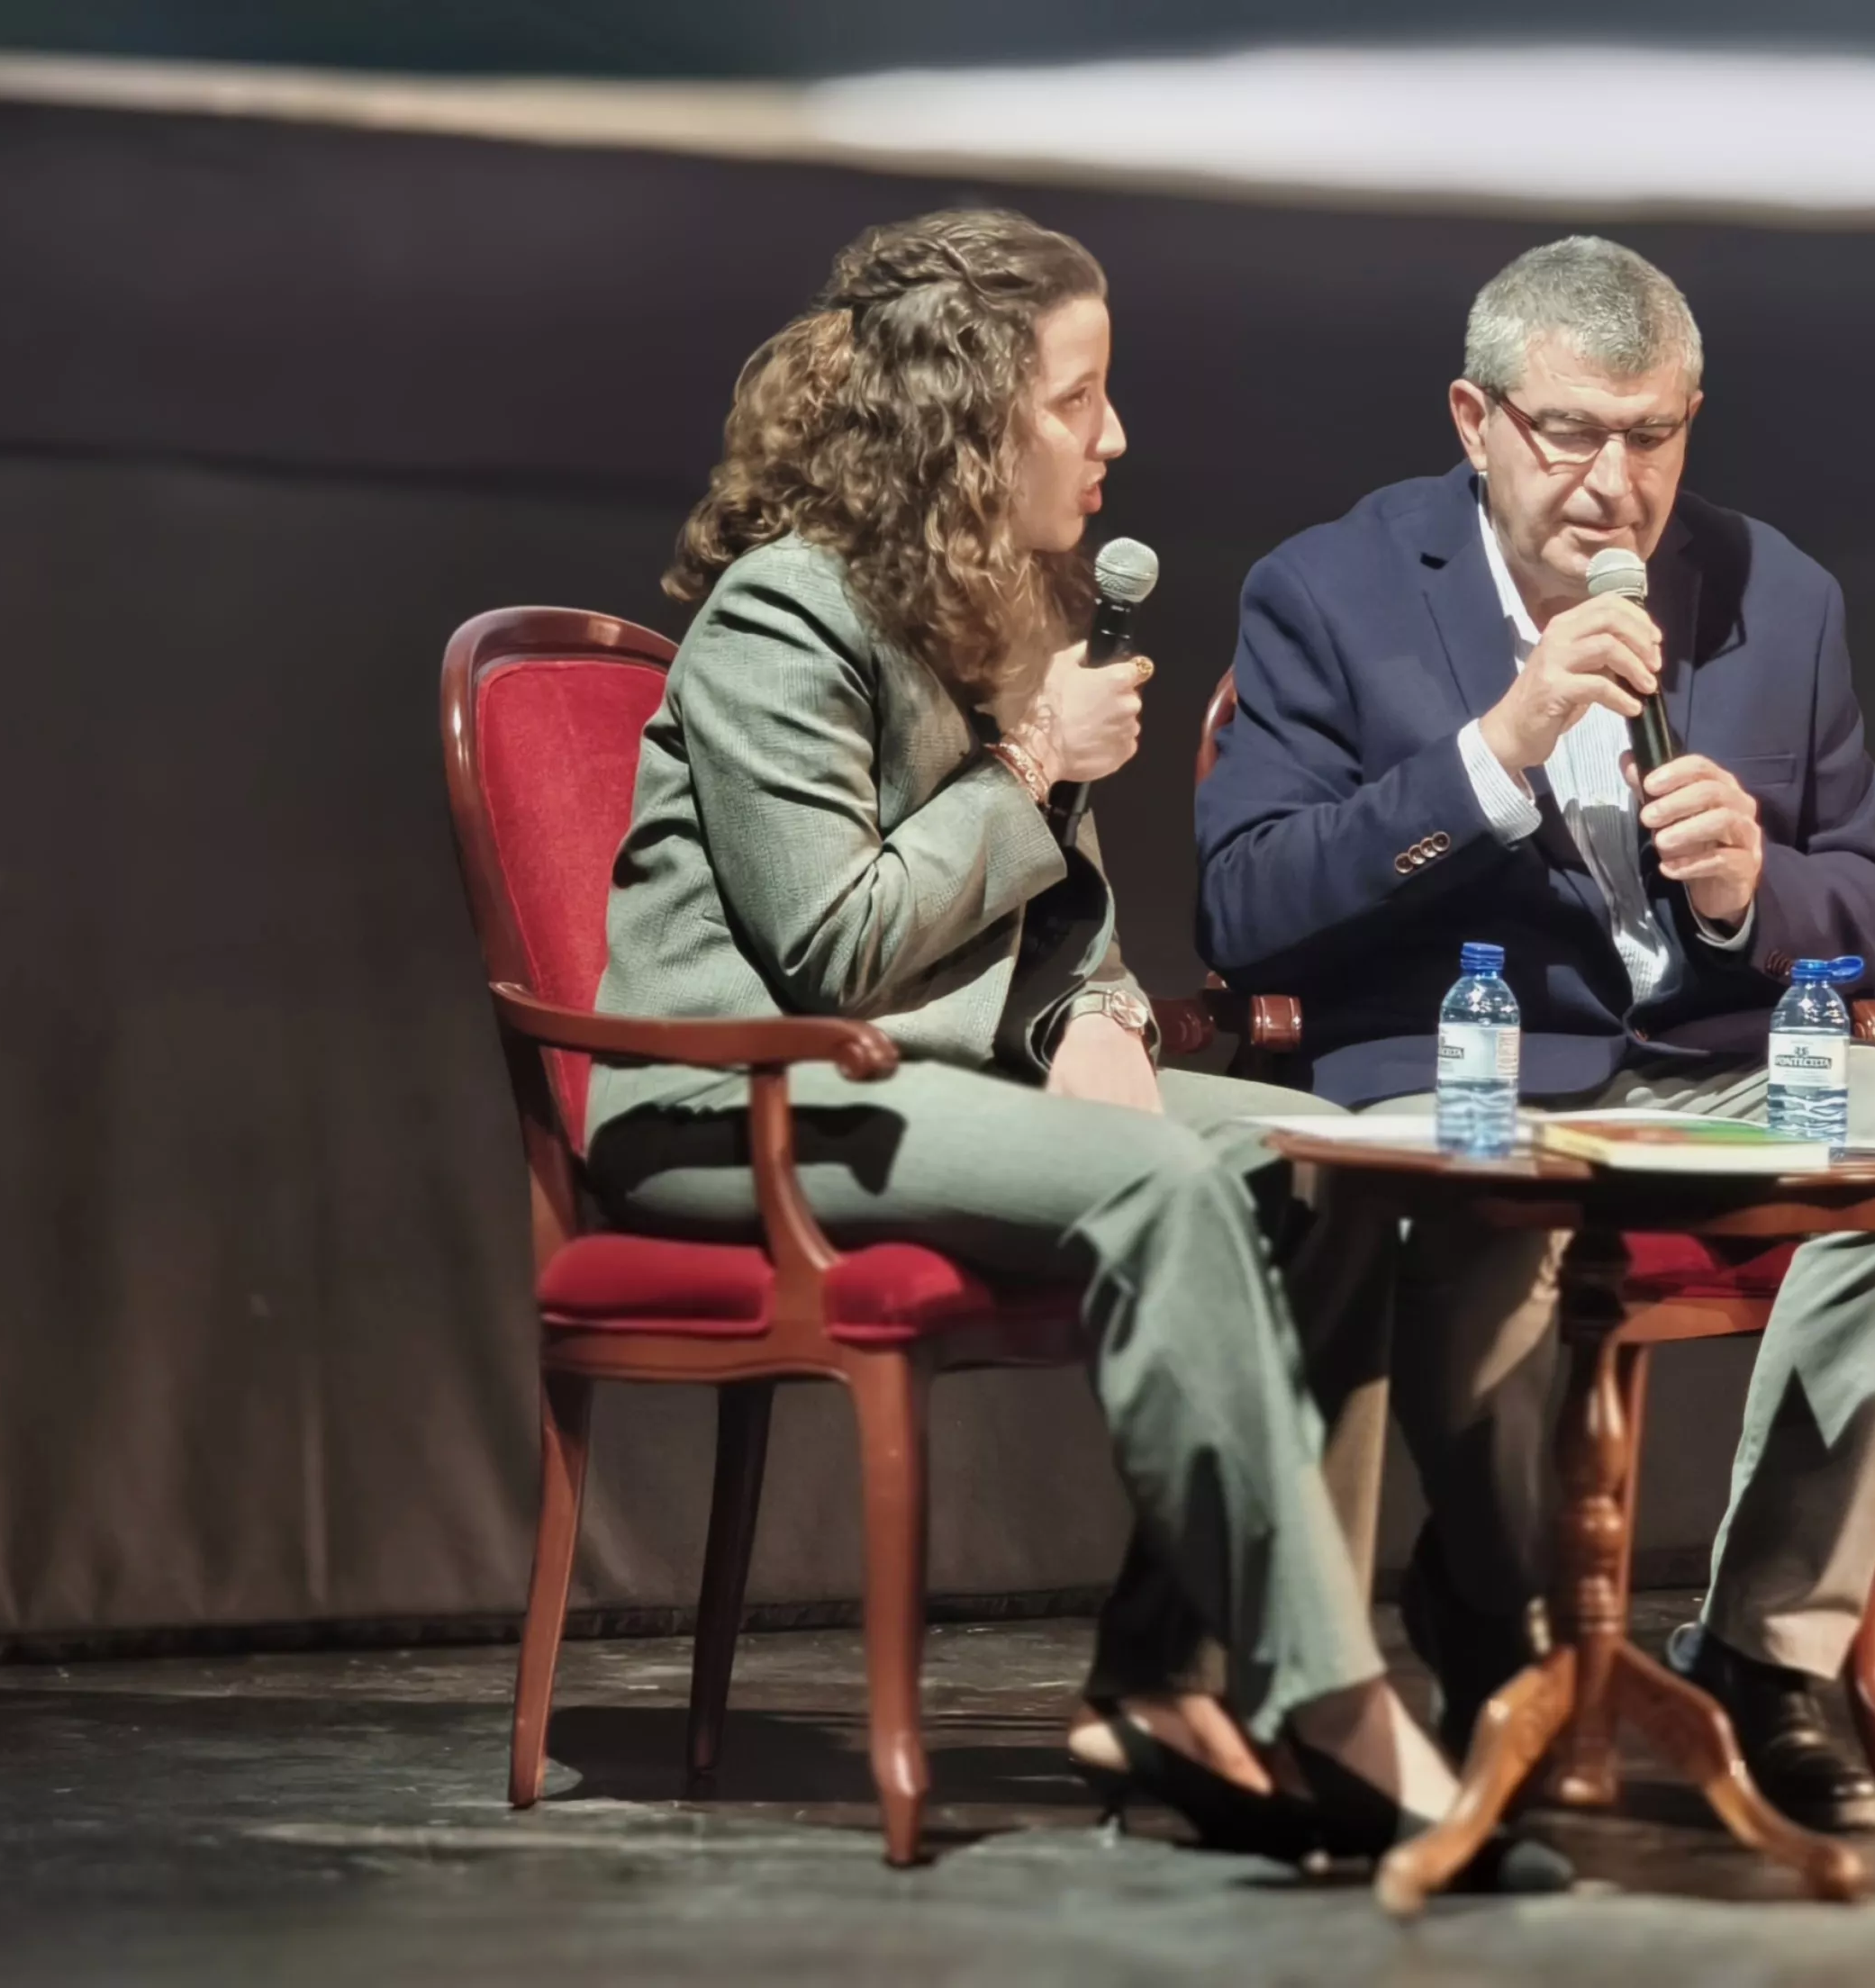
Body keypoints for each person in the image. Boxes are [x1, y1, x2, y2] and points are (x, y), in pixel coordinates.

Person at [582, 208, 1561, 1889]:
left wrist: (1102, 1016)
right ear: (965, 419)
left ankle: (1167, 1681)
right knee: (1162, 1187)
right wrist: (1032, 762)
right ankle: (1329, 1707)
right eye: (1075, 399)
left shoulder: (994, 605)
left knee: (1324, 1160)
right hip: (735, 1099)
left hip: (927, 1075)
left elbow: (1067, 923)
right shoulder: (780, 616)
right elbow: (834, 947)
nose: (1114, 437)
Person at [1198, 236, 1875, 1833]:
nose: (1614, 486)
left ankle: (1769, 1650)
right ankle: (1496, 1614)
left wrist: (1754, 888)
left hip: (1710, 1056)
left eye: (1651, 436)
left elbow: (1870, 904)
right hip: (1463, 1066)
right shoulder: (1331, 589)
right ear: (1475, 420)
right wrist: (1499, 750)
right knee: (1480, 1219)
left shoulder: (1778, 595)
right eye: (1569, 434)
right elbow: (1247, 905)